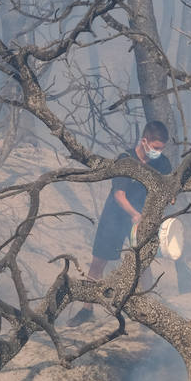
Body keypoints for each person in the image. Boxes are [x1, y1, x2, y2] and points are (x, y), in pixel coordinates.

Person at [70, 121, 172, 325]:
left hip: (143, 216)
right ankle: (86, 309)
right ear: (144, 141)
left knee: (143, 261)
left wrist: (168, 198)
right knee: (98, 262)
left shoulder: (163, 163)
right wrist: (135, 215)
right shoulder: (126, 161)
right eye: (155, 148)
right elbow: (119, 195)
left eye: (161, 148)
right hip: (116, 215)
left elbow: (168, 188)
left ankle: (147, 306)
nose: (158, 152)